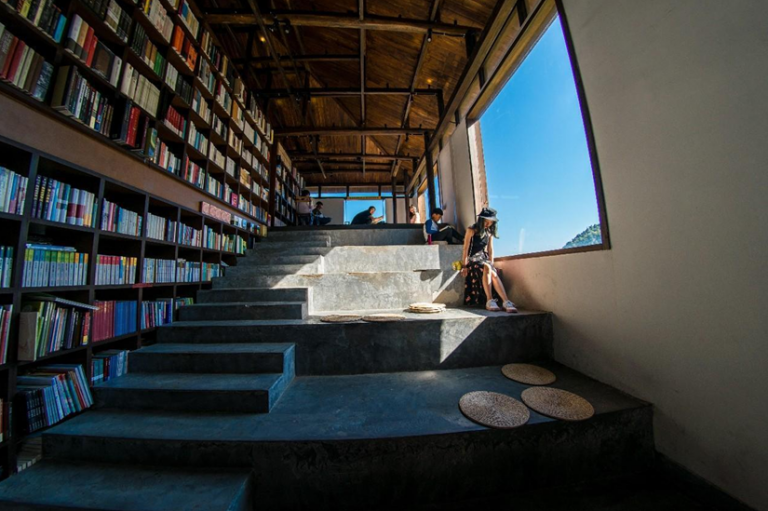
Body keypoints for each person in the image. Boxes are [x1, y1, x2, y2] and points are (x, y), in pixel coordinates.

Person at [460, 207, 518, 313]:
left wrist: (492, 263)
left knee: (492, 271)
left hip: (484, 259)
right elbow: (465, 249)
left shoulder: (489, 233)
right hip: (473, 259)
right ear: (481, 220)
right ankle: (489, 300)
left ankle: (506, 301)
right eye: (486, 221)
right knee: (487, 267)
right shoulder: (471, 230)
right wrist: (464, 266)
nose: (488, 224)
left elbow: (490, 250)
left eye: (491, 222)